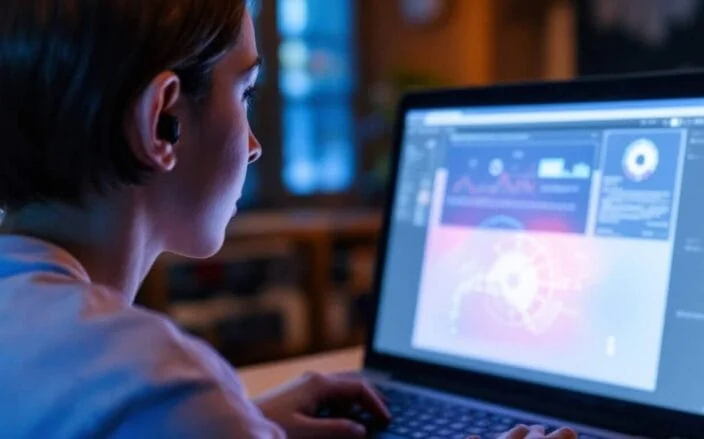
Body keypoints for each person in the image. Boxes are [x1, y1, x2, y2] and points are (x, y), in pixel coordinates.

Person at [0, 1, 578, 438]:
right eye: (247, 92)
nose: (253, 145)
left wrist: (238, 419)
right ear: (163, 122)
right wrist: (203, 411)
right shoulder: (151, 382)